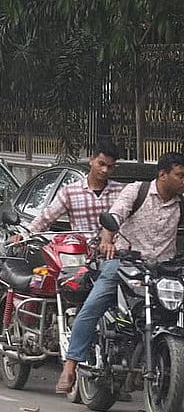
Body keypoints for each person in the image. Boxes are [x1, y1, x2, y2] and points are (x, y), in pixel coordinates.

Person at [56, 152, 184, 394]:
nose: (183, 181)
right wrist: (107, 241)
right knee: (93, 306)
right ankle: (70, 364)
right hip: (126, 263)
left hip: (163, 270)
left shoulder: (181, 202)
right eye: (180, 176)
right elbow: (114, 216)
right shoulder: (137, 192)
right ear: (162, 174)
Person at [13, 143, 124, 244]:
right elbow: (46, 217)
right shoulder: (70, 192)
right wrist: (24, 235)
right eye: (101, 164)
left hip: (116, 256)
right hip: (81, 257)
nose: (104, 170)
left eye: (109, 167)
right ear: (91, 160)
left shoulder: (122, 192)